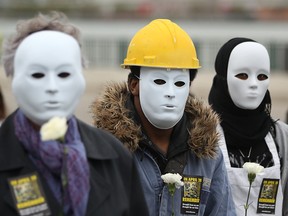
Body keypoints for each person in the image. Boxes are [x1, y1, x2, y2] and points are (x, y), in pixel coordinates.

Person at [0, 11, 148, 216]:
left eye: (64, 74)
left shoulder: (114, 156)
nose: (52, 87)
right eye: (37, 74)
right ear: (13, 78)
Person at [90, 19, 236, 215]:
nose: (170, 93)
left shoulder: (207, 156)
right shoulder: (105, 151)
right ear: (134, 85)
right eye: (159, 81)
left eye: (179, 84)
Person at [208, 37, 288, 215]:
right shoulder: (202, 136)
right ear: (223, 77)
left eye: (262, 76)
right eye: (242, 75)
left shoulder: (281, 137)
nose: (253, 84)